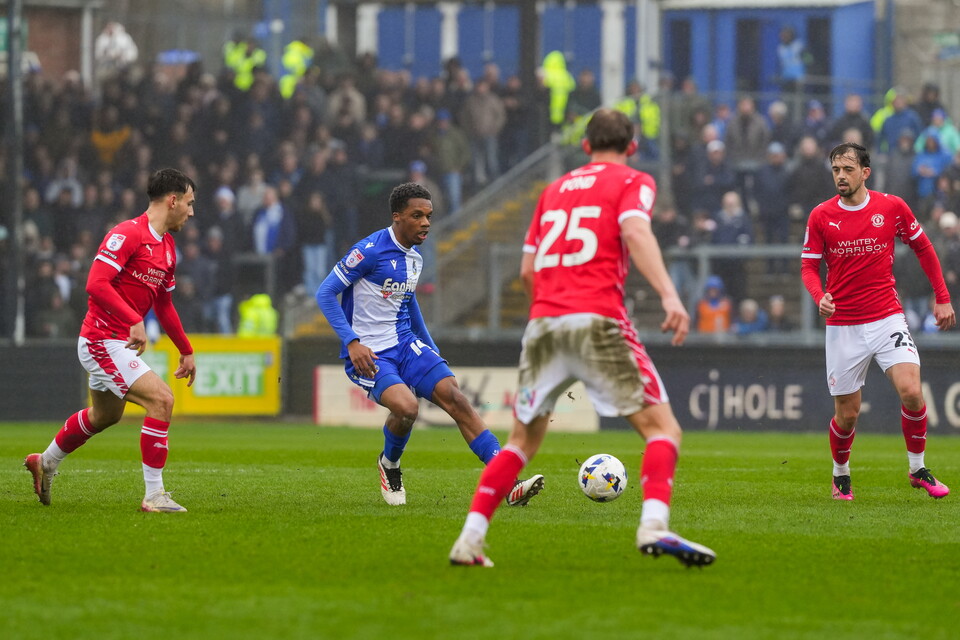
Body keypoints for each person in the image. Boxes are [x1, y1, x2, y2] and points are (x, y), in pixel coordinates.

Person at [448, 109, 715, 568]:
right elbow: (635, 230)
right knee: (662, 430)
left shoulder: (552, 191)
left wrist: (550, 313)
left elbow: (527, 271)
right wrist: (670, 295)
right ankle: (653, 526)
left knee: (520, 442)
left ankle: (469, 540)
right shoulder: (633, 180)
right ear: (632, 147)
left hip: (544, 323)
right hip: (597, 318)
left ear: (585, 145)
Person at [316, 182, 544, 508]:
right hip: (370, 353)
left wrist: (430, 346)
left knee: (456, 398)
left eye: (429, 216)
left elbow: (408, 303)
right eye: (417, 216)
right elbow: (325, 293)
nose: (425, 223)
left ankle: (508, 484)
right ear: (397, 217)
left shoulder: (415, 257)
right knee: (407, 408)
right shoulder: (369, 251)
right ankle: (390, 464)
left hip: (406, 345)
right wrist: (352, 342)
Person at [24, 168, 198, 512]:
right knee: (162, 400)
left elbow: (164, 304)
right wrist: (133, 319)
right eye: (190, 203)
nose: (191, 212)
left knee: (104, 416)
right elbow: (96, 283)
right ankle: (154, 495)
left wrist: (186, 350)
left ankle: (44, 462)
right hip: (101, 339)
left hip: (118, 342)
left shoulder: (167, 247)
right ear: (172, 200)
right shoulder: (127, 233)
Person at [800, 142, 955, 501]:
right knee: (848, 415)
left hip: (887, 317)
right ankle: (841, 474)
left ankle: (917, 469)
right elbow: (808, 266)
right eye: (836, 170)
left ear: (865, 172)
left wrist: (942, 296)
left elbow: (924, 247)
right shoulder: (821, 215)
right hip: (843, 325)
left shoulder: (891, 207)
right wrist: (819, 295)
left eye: (848, 169)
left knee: (912, 391)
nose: (840, 176)